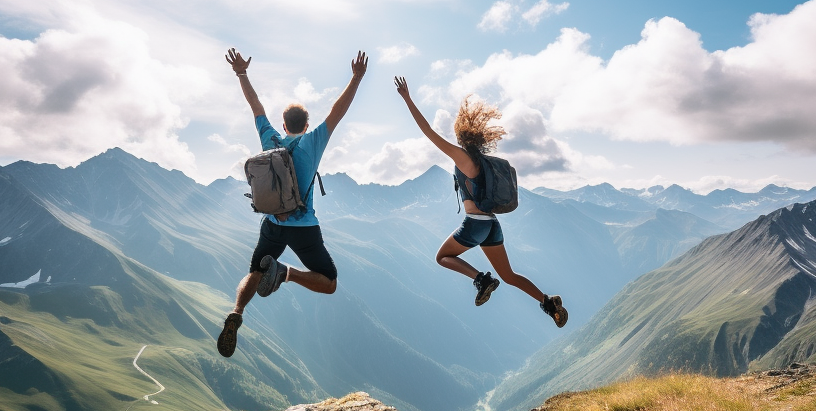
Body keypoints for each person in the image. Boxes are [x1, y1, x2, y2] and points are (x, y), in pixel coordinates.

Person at [217, 47, 368, 357]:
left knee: (255, 272)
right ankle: (286, 273)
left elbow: (255, 105)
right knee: (330, 282)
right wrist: (356, 78)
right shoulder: (313, 141)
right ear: (306, 125)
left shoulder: (269, 139)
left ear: (283, 126)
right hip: (304, 227)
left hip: (271, 222)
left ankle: (236, 312)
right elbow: (337, 112)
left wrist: (242, 73)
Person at [394, 76, 568, 327]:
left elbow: (428, 133)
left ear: (462, 137)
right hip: (492, 224)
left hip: (476, 223)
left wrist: (408, 100)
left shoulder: (463, 159)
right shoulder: (484, 162)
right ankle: (548, 302)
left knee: (442, 257)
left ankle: (481, 280)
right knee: (509, 276)